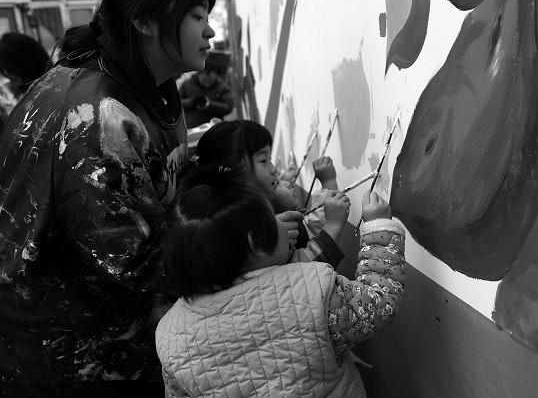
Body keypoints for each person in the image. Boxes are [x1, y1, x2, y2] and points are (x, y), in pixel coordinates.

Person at [0, 0, 215, 396]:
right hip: (55, 351)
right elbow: (136, 259)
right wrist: (244, 239)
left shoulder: (147, 83)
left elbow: (157, 177)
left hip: (96, 325)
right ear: (144, 21)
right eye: (197, 16)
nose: (210, 30)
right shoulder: (95, 114)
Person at [155, 165, 406, 397]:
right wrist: (379, 227)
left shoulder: (170, 336)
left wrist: (269, 231)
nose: (279, 220)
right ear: (256, 243)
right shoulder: (313, 293)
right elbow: (378, 303)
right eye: (271, 218)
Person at [194, 119, 347, 267]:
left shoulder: (243, 217)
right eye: (263, 160)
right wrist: (333, 224)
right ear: (232, 171)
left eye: (270, 158)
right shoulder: (245, 230)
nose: (274, 169)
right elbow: (303, 274)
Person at [0, 32, 51, 179]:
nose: (8, 74)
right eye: (3, 70)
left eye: (11, 68)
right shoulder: (0, 101)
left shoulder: (60, 87)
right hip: (23, 183)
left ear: (29, 61)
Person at [178, 51, 233, 128]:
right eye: (205, 81)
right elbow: (176, 104)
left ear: (216, 75)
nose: (207, 84)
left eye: (210, 82)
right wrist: (192, 102)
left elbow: (228, 107)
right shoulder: (187, 84)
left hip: (213, 127)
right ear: (198, 75)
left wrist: (210, 104)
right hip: (191, 127)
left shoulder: (222, 87)